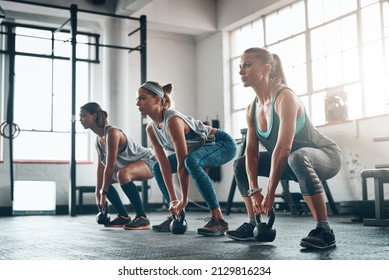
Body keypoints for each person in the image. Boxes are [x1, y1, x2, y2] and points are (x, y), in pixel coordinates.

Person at [224, 48, 342, 250]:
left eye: (248, 65)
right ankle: (254, 224)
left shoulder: (285, 97)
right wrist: (255, 192)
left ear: (267, 68)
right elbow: (251, 152)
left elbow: (282, 149)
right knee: (240, 164)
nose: (241, 70)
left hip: (325, 157)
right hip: (292, 161)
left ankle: (324, 231)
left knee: (297, 157)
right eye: (240, 66)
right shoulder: (252, 108)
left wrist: (270, 193)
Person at [136, 81, 237, 236]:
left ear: (157, 100)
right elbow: (164, 165)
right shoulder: (151, 128)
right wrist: (173, 201)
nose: (137, 103)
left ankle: (219, 220)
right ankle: (176, 214)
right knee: (156, 167)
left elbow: (182, 164)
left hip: (222, 143)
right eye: (137, 99)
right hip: (197, 151)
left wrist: (184, 199)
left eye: (142, 98)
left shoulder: (173, 121)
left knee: (190, 161)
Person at [79, 102, 156, 230]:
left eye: (83, 116)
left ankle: (143, 217)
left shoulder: (112, 133)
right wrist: (97, 193)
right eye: (80, 117)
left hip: (150, 161)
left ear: (94, 116)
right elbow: (101, 168)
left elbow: (110, 166)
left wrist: (103, 195)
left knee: (122, 174)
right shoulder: (98, 140)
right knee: (107, 181)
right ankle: (123, 216)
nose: (80, 120)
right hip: (131, 167)